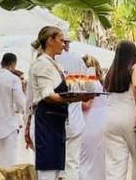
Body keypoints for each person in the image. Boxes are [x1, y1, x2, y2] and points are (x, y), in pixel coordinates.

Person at [28, 26, 88, 180]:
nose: (64, 44)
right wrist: (74, 98)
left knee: (56, 173)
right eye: (61, 40)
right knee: (47, 174)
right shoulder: (42, 64)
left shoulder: (55, 64)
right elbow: (48, 95)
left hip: (56, 123)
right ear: (50, 40)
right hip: (45, 124)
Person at [103, 40, 136, 179]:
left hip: (109, 117)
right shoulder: (135, 68)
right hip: (129, 116)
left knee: (114, 163)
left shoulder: (110, 71)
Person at [55, 30, 87, 180]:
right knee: (72, 163)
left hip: (51, 122)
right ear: (66, 43)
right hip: (73, 120)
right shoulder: (76, 60)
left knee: (52, 167)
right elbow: (90, 87)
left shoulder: (43, 60)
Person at [0, 52, 27, 167]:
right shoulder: (13, 79)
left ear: (1, 63)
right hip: (7, 126)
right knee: (7, 164)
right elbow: (21, 103)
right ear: (13, 64)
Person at [80, 55, 108, 180]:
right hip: (101, 120)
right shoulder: (99, 83)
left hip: (90, 121)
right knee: (98, 159)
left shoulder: (89, 83)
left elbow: (86, 105)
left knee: (86, 159)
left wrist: (71, 101)